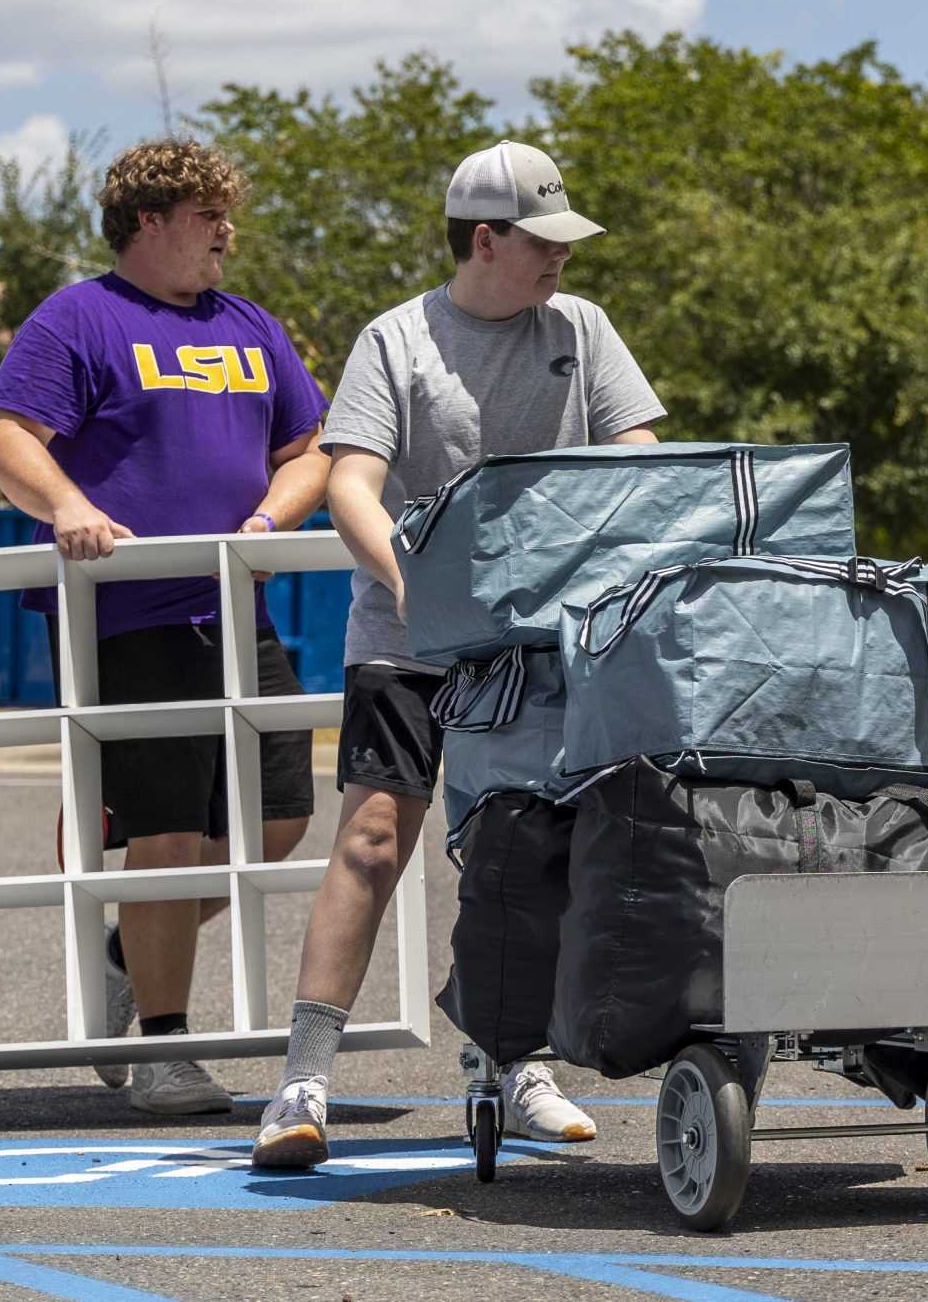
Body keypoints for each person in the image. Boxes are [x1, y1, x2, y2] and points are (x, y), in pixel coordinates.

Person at [251, 139, 665, 1169]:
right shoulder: (396, 340)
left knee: (522, 851)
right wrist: (412, 588)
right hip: (408, 638)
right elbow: (350, 481)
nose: (561, 259)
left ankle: (512, 1063)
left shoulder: (584, 330)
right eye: (543, 242)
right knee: (373, 841)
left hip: (539, 646)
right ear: (485, 240)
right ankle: (302, 1083)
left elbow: (641, 461)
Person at [0, 138, 333, 1116]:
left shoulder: (249, 326)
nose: (226, 231)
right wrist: (62, 503)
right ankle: (163, 1052)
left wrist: (269, 518)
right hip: (126, 613)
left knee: (277, 821)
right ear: (147, 222)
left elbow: (306, 448)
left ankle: (120, 949)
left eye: (227, 213)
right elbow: (10, 436)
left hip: (233, 605)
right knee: (169, 834)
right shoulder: (79, 318)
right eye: (205, 214)